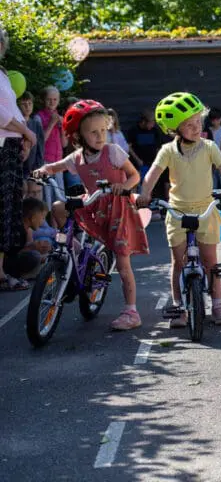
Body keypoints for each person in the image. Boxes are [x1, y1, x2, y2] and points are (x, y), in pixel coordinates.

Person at [35, 100, 150, 330]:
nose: (100, 137)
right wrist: (42, 171)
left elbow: (135, 175)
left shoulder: (113, 152)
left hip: (118, 208)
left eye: (103, 131)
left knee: (122, 261)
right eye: (93, 132)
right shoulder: (76, 158)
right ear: (78, 136)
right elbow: (55, 166)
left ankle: (131, 312)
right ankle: (74, 248)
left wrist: (124, 185)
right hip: (93, 204)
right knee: (58, 207)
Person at [137, 92, 221, 327]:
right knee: (178, 261)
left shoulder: (209, 147)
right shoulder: (167, 151)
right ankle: (179, 306)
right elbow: (152, 174)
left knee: (210, 261)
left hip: (205, 209)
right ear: (174, 129)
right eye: (189, 125)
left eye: (198, 122)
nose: (197, 128)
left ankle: (217, 304)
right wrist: (145, 194)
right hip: (177, 212)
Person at [0, 26, 37, 291]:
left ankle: (3, 271)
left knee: (10, 207)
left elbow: (10, 109)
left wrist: (24, 139)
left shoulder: (2, 74)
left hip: (10, 147)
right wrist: (26, 131)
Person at [2, 197, 50, 280]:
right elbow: (9, 254)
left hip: (10, 261)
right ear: (33, 217)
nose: (42, 222)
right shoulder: (16, 230)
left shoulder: (25, 230)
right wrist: (31, 247)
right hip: (4, 264)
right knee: (35, 256)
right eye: (42, 218)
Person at [35, 86, 66, 204]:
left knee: (59, 197)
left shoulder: (59, 117)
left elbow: (64, 144)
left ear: (58, 100)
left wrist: (62, 128)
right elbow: (40, 141)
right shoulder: (39, 117)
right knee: (47, 196)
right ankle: (46, 221)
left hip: (58, 162)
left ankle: (57, 222)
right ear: (43, 100)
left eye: (55, 99)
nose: (52, 102)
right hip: (45, 161)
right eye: (49, 99)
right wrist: (51, 123)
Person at [18, 91, 45, 200]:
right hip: (19, 170)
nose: (27, 107)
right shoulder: (16, 125)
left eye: (30, 103)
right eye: (24, 104)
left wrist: (37, 170)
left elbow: (40, 149)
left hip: (34, 168)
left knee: (37, 195)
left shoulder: (36, 124)